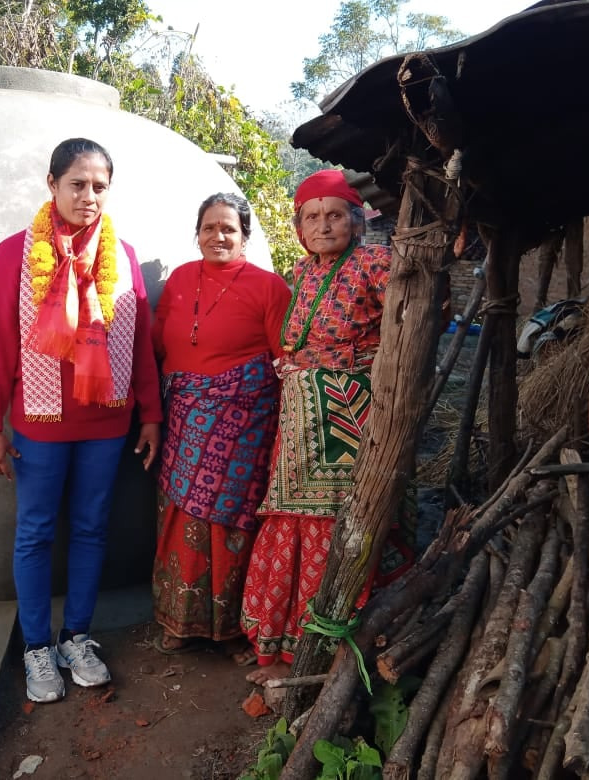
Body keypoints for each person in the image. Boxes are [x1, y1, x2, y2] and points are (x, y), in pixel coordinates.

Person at [0, 138, 163, 704]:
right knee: (35, 531)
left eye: (99, 186)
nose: (88, 196)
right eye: (77, 184)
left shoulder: (123, 255)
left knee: (90, 528)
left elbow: (141, 348)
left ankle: (77, 636)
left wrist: (150, 415)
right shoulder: (16, 253)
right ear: (51, 184)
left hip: (107, 420)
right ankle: (37, 646)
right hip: (39, 420)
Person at [240, 169, 415, 683]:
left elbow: (414, 322)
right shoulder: (297, 275)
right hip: (299, 425)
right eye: (312, 217)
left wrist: (355, 363)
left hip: (351, 418)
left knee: (342, 522)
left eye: (334, 215)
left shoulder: (377, 264)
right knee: (292, 518)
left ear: (355, 222)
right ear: (299, 226)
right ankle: (285, 644)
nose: (323, 225)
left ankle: (334, 648)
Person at [150, 193, 290, 664]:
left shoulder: (269, 288)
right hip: (184, 419)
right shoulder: (180, 281)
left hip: (244, 425)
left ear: (245, 235)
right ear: (197, 233)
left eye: (229, 228)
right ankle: (179, 621)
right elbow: (156, 343)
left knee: (233, 523)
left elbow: (284, 361)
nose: (218, 236)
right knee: (181, 518)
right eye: (209, 227)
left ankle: (233, 628)